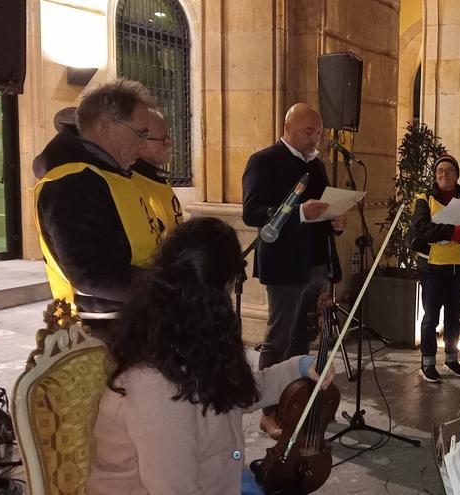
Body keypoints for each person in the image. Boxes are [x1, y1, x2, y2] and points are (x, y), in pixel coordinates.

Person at [87, 217, 335, 495]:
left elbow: (241, 392)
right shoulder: (153, 384)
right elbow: (177, 489)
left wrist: (301, 366)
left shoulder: (190, 342)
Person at [241, 103, 345, 439]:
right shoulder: (264, 161)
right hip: (285, 264)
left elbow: (324, 209)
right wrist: (299, 213)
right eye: (308, 131)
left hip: (317, 262)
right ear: (287, 127)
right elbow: (252, 212)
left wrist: (336, 221)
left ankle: (294, 401)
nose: (315, 137)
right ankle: (267, 411)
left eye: (318, 131)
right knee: (279, 337)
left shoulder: (315, 165)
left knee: (303, 337)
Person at [34, 79, 160, 333]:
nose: (144, 145)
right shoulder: (72, 184)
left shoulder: (114, 174)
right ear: (106, 127)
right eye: (140, 134)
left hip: (133, 318)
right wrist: (171, 287)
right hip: (103, 330)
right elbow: (91, 275)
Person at [410, 154, 460, 383]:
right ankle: (427, 363)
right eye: (440, 171)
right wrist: (451, 232)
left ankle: (452, 359)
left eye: (449, 170)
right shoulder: (424, 199)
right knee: (431, 317)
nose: (444, 174)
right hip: (433, 267)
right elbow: (421, 230)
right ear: (435, 176)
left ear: (457, 175)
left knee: (454, 317)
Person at [131, 108, 184, 239]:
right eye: (164, 139)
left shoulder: (156, 179)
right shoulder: (132, 183)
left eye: (169, 137)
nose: (171, 143)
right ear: (141, 141)